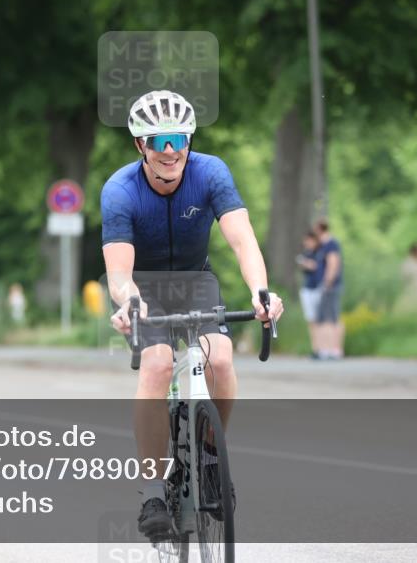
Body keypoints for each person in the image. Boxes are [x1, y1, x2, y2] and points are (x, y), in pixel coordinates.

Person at [100, 89, 284, 540]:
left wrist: (261, 291)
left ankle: (207, 454)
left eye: (178, 139)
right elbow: (119, 272)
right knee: (159, 365)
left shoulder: (211, 173)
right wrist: (128, 302)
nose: (170, 150)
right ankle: (152, 493)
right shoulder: (120, 190)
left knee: (220, 359)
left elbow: (242, 240)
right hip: (144, 290)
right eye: (159, 140)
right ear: (140, 145)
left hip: (196, 281)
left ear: (189, 141)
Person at [314, 220, 344, 359]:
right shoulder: (323, 246)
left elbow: (333, 263)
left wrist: (327, 282)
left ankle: (335, 349)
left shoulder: (331, 244)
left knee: (331, 318)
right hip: (326, 286)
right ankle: (326, 349)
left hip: (330, 286)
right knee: (325, 318)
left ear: (320, 229)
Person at [295, 231, 323, 357]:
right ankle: (315, 348)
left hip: (319, 288)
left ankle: (324, 348)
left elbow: (315, 266)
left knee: (320, 319)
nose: (307, 243)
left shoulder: (320, 253)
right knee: (311, 320)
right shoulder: (306, 253)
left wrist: (307, 264)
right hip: (308, 289)